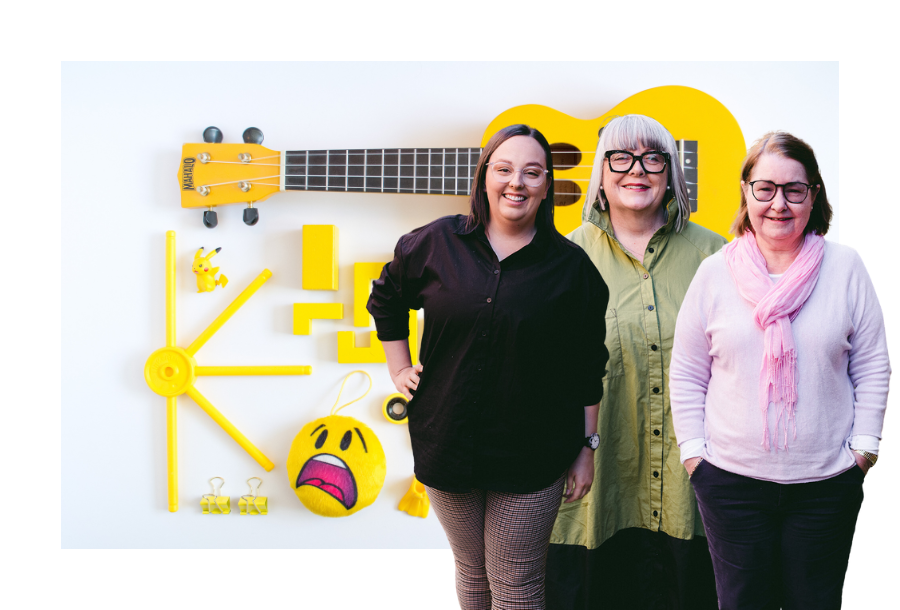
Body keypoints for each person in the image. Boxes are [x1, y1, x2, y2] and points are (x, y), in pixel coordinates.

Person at [367, 124, 610, 610]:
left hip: (533, 452)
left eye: (532, 172)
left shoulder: (571, 268)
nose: (516, 182)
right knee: (473, 576)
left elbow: (587, 364)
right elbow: (387, 298)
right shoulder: (436, 243)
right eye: (504, 169)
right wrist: (398, 369)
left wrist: (587, 447)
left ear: (548, 187)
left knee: (516, 587)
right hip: (446, 439)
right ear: (484, 178)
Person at [670, 132, 890, 609]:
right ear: (746, 191)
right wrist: (694, 457)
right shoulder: (714, 273)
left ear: (814, 195)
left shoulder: (845, 267)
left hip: (825, 485)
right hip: (730, 483)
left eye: (795, 189)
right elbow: (688, 370)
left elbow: (872, 364)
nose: (779, 204)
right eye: (765, 188)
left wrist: (865, 451)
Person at [546, 114, 724, 610]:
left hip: (693, 496)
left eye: (652, 157)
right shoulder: (562, 259)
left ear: (672, 172)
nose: (636, 170)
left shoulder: (717, 258)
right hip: (593, 497)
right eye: (620, 157)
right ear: (600, 173)